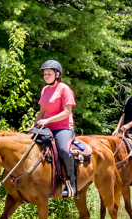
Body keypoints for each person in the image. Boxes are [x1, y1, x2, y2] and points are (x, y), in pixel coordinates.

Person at [31, 60, 77, 199]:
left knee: (63, 149)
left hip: (62, 127)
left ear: (57, 74)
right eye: (44, 74)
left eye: (49, 73)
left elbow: (66, 112)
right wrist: (33, 126)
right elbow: (41, 111)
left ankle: (71, 183)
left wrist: (47, 120)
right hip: (45, 127)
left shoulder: (64, 89)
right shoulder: (45, 89)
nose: (46, 76)